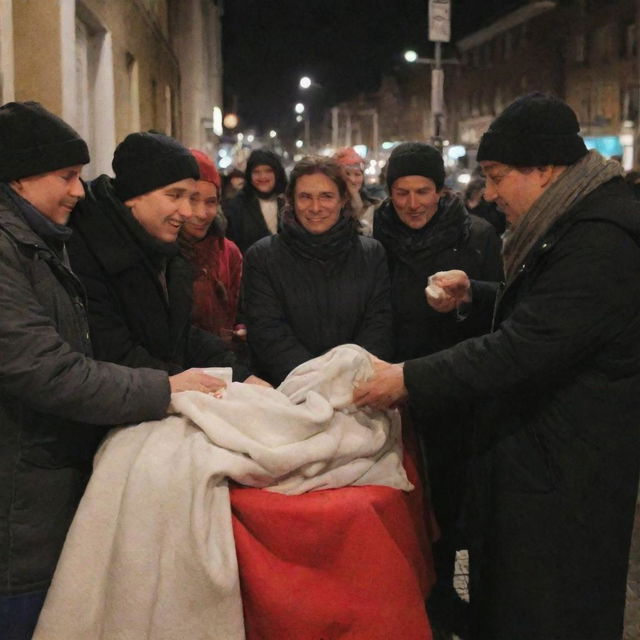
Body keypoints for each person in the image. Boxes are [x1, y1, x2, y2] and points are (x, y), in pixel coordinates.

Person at [354, 93, 640, 640]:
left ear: (545, 169)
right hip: (545, 459)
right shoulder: (576, 221)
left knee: (548, 611)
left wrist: (407, 378)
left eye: (496, 175)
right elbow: (551, 315)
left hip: (569, 476)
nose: (488, 193)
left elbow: (522, 348)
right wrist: (478, 294)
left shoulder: (600, 239)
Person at [0, 102, 222, 639]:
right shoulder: (17, 249)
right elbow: (45, 368)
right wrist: (163, 389)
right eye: (66, 177)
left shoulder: (40, 243)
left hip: (45, 486)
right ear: (20, 178)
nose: (78, 191)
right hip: (19, 504)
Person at [373, 141, 503, 635]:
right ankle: (421, 596)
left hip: (456, 388)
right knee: (407, 501)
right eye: (401, 192)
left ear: (440, 190)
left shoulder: (479, 236)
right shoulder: (373, 240)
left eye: (422, 191)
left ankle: (456, 596)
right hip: (394, 386)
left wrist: (464, 304)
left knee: (456, 501)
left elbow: (499, 312)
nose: (411, 203)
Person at [67, 132, 260, 384]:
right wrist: (181, 384)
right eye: (174, 195)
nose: (188, 212)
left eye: (189, 197)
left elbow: (177, 335)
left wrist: (240, 376)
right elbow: (114, 354)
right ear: (134, 194)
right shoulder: (87, 251)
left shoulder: (158, 247)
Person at [242, 155, 394, 386]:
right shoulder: (262, 257)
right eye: (305, 197)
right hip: (287, 394)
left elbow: (378, 327)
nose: (315, 208)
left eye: (326, 196)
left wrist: (350, 380)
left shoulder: (371, 255)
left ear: (343, 199)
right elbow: (268, 334)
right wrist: (319, 384)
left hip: (358, 391)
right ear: (291, 199)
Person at [180, 149, 244, 345]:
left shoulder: (228, 252)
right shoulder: (160, 251)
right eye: (192, 199)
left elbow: (240, 308)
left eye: (211, 202)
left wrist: (241, 327)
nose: (202, 213)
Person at [225, 149, 286, 253]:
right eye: (256, 172)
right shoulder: (237, 206)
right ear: (249, 175)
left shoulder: (288, 202)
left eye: (268, 171)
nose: (262, 177)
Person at [333, 146, 379, 235]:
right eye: (347, 174)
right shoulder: (331, 203)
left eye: (357, 174)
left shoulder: (373, 206)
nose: (353, 180)